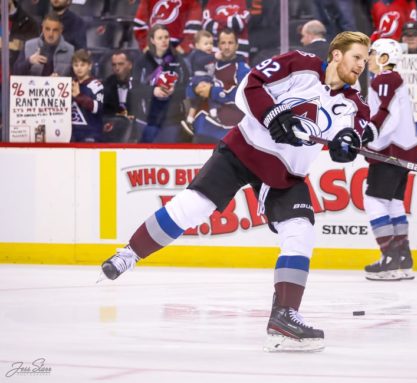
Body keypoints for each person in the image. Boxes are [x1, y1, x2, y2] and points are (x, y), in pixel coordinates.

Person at [100, 31, 372, 352]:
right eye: (357, 58)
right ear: (337, 54)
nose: (361, 67)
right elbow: (250, 85)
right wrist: (274, 116)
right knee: (193, 206)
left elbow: (357, 133)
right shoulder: (300, 64)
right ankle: (128, 254)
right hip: (244, 149)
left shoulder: (353, 104)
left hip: (283, 174)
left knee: (300, 230)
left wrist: (348, 145)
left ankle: (284, 314)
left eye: (365, 62)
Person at [361, 39, 417, 281]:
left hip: (389, 150)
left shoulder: (384, 79)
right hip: (403, 150)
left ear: (384, 58)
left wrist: (367, 136)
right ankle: (403, 258)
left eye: (372, 54)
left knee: (373, 200)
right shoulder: (395, 79)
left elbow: (386, 114)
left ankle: (390, 258)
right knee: (394, 202)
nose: (367, 58)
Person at [185, 28, 250, 143]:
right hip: (204, 126)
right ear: (218, 45)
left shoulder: (242, 68)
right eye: (223, 43)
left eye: (230, 43)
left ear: (236, 45)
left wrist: (213, 92)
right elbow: (189, 85)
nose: (226, 47)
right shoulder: (209, 61)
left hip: (230, 128)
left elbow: (247, 93)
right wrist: (195, 89)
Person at [132, 24, 189, 143]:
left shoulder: (178, 60)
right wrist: (152, 91)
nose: (164, 41)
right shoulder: (142, 62)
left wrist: (175, 91)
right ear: (152, 40)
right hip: (147, 119)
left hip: (172, 119)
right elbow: (134, 89)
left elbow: (187, 88)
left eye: (166, 37)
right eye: (160, 38)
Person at [13, 12, 74, 77]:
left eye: (55, 30)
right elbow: (15, 72)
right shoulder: (29, 46)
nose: (51, 34)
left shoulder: (70, 50)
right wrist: (29, 61)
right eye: (47, 29)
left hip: (57, 86)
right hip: (32, 87)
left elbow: (75, 78)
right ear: (42, 28)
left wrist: (60, 81)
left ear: (61, 30)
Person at [182, 30, 218, 129]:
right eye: (206, 44)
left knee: (196, 103)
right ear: (197, 45)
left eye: (211, 43)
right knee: (211, 92)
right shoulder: (197, 54)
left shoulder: (210, 55)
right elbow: (201, 61)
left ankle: (189, 119)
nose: (209, 46)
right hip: (199, 79)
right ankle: (213, 114)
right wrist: (214, 56)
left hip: (208, 79)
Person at [70, 49, 104, 142]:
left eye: (82, 65)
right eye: (76, 65)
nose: (79, 68)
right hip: (71, 134)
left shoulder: (96, 85)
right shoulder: (70, 84)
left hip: (91, 134)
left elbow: (97, 108)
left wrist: (79, 96)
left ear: (89, 66)